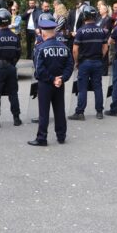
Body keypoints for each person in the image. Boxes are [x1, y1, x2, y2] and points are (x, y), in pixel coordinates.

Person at [29, 16, 73, 146]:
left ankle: (42, 138)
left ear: (42, 33)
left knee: (44, 112)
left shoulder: (40, 48)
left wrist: (51, 79)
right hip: (60, 83)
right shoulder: (64, 47)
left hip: (45, 84)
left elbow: (39, 69)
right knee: (60, 110)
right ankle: (61, 136)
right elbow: (70, 66)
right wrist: (61, 78)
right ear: (54, 32)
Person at [68, 5, 107, 120]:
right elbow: (105, 48)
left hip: (84, 63)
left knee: (82, 88)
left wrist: (76, 62)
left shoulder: (81, 31)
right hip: (97, 62)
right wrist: (100, 57)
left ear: (84, 16)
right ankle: (99, 112)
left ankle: (80, 112)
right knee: (98, 87)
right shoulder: (101, 30)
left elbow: (75, 50)